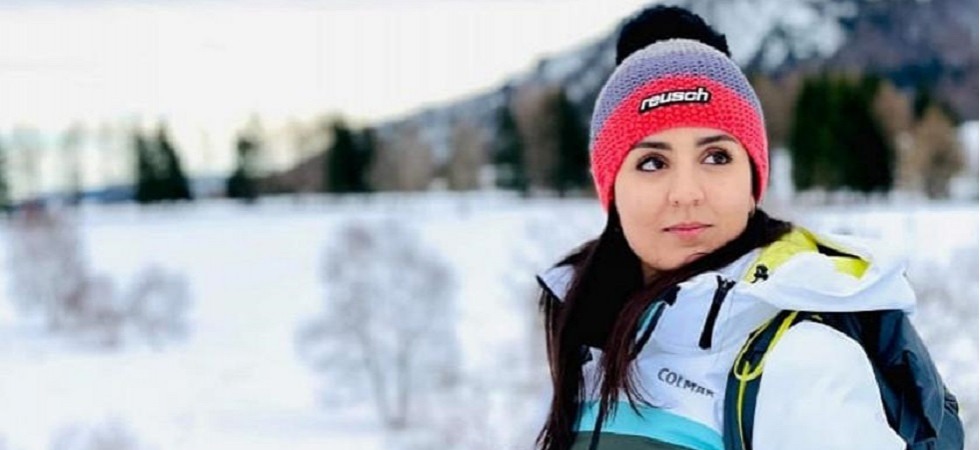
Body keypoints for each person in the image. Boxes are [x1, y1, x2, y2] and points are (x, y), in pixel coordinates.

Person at [534, 5, 958, 450]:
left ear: (753, 180)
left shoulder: (802, 361)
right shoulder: (586, 334)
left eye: (716, 157)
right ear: (611, 188)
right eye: (653, 162)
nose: (686, 193)